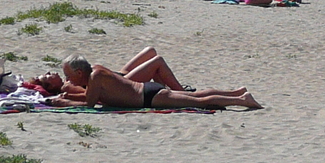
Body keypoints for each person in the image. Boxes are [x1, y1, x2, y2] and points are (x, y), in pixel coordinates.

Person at [38, 51, 261, 110]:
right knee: (196, 95)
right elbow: (92, 97)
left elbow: (90, 104)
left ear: (78, 72)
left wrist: (67, 102)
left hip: (148, 97)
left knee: (199, 102)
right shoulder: (95, 72)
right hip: (148, 90)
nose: (67, 78)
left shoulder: (95, 77)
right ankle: (236, 92)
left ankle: (241, 101)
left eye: (68, 73)